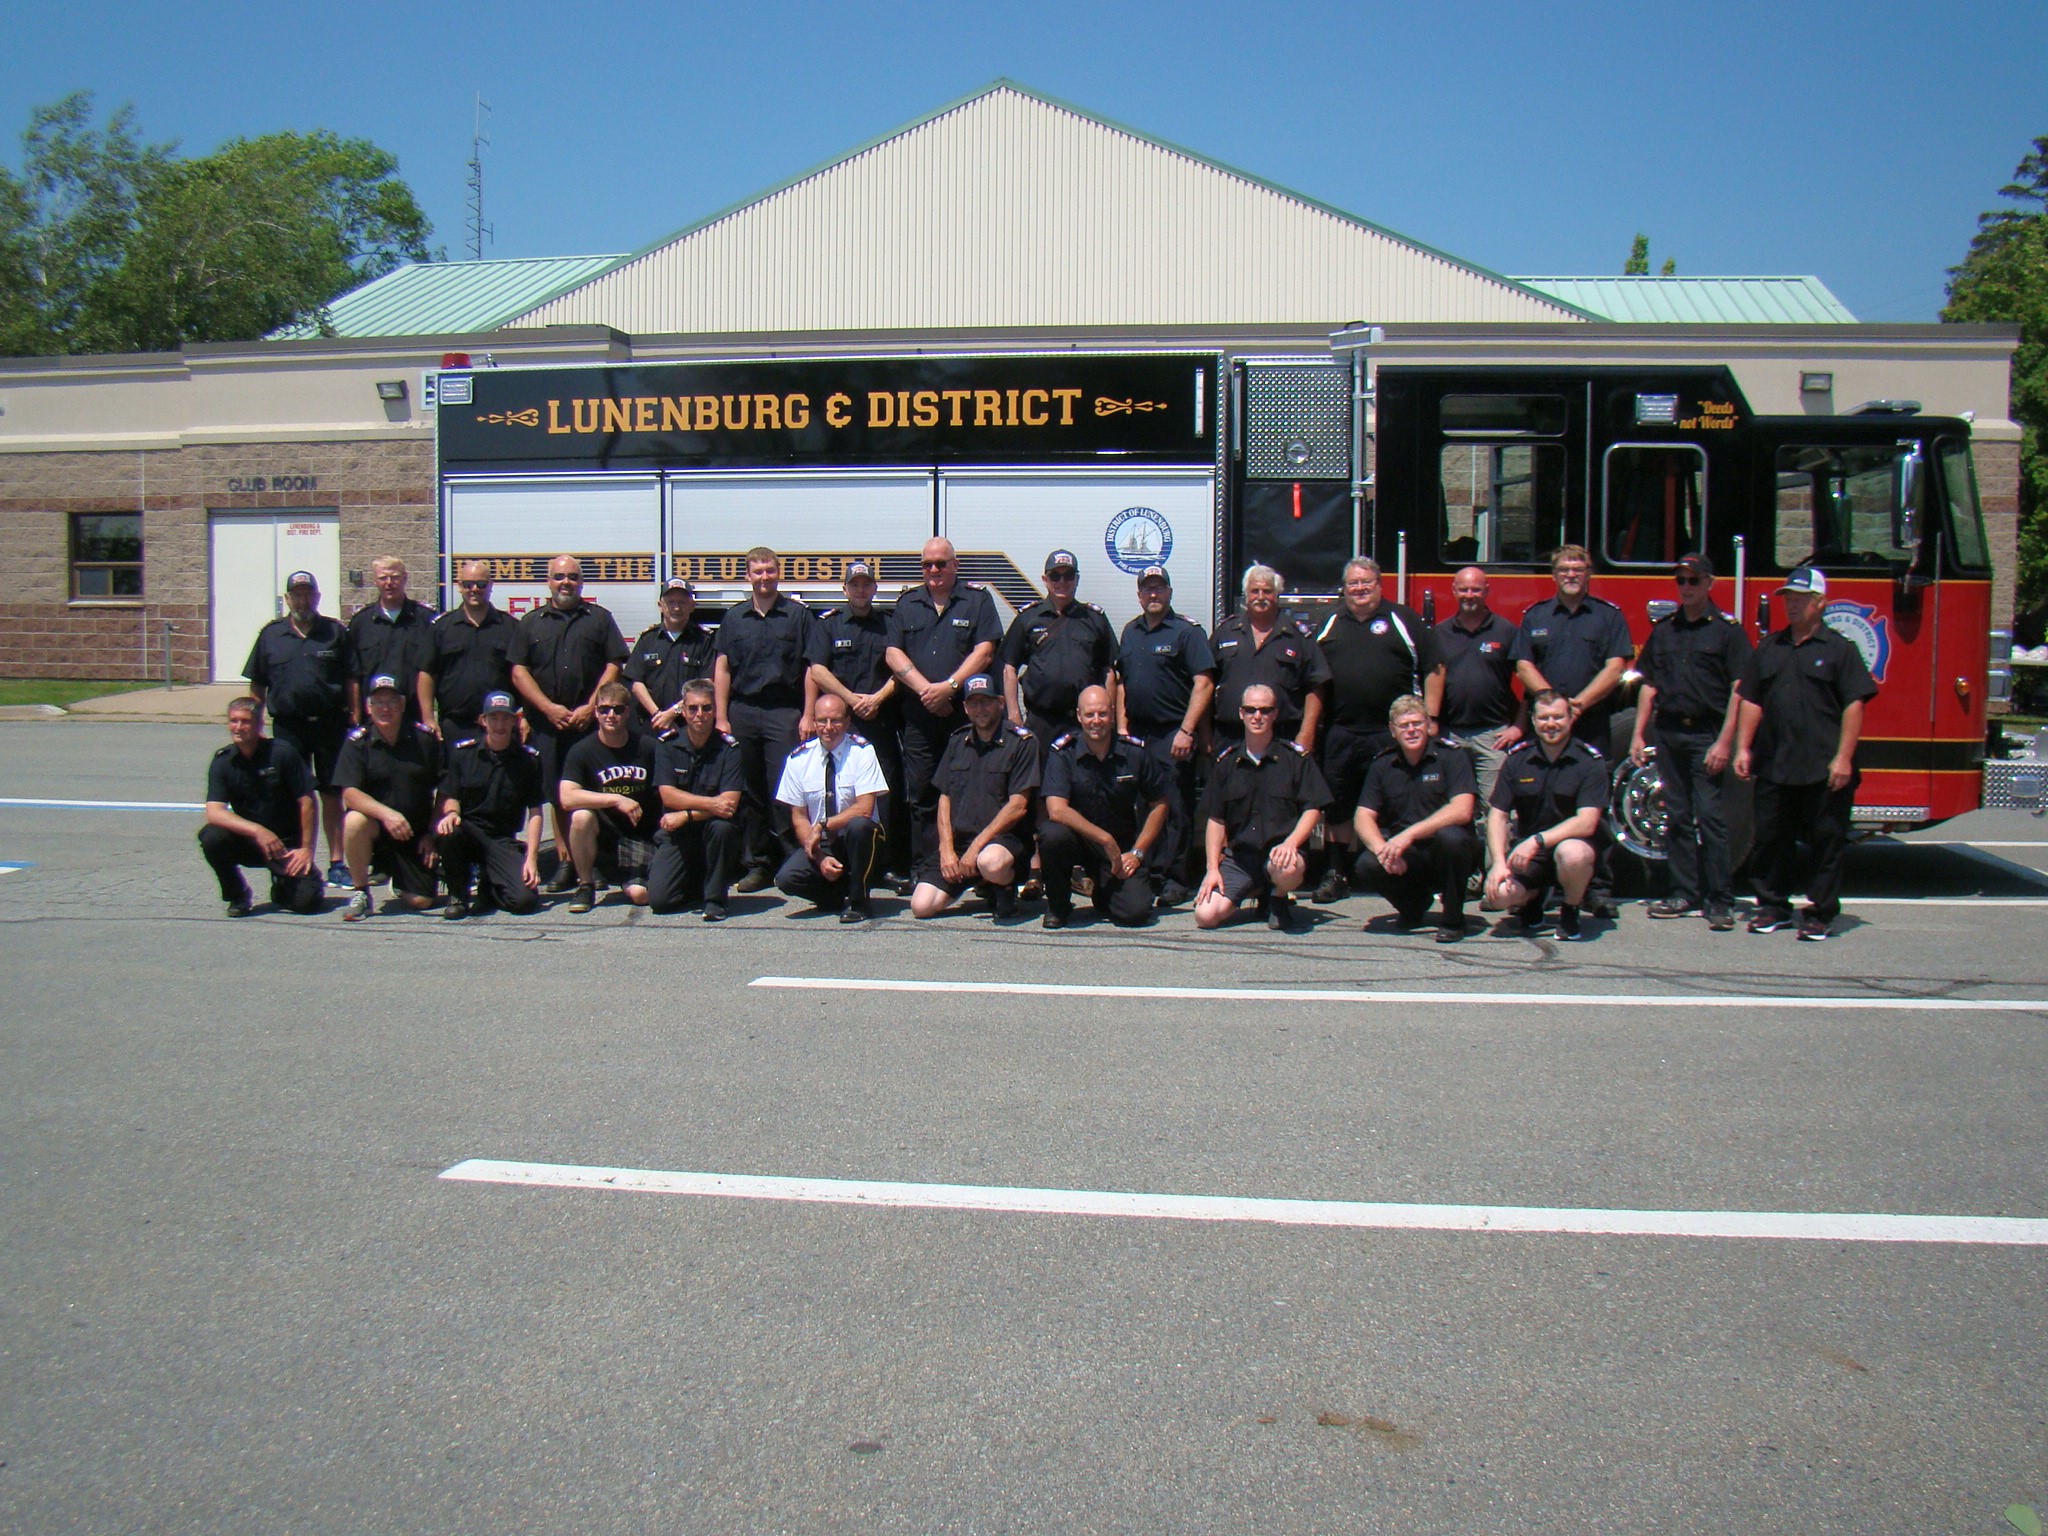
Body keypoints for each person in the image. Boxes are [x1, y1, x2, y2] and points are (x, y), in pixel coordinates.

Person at [1734, 566, 1877, 942]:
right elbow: (1751, 699)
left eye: (1800, 599)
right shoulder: (1770, 648)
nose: (1792, 606)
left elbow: (1854, 705)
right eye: (1787, 599)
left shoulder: (1839, 650)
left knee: (1825, 841)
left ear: (1820, 603)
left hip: (1823, 767)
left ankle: (1819, 913)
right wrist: (1744, 747)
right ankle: (1772, 906)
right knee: (1770, 839)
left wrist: (1843, 758)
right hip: (1774, 763)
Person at [1629, 553, 1753, 930]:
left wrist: (1725, 742)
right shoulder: (1665, 630)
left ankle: (1720, 900)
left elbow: (1740, 688)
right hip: (1668, 732)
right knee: (1677, 816)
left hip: (1706, 734)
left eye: (1693, 580)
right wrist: (1637, 733)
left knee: (1710, 817)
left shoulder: (1727, 631)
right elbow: (1648, 683)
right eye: (1680, 581)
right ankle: (1684, 892)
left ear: (1710, 583)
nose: (1686, 588)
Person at [1511, 544, 1634, 916]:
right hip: (1547, 727)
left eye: (1578, 569)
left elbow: (1615, 667)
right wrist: (1552, 707)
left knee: (1595, 804)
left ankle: (1596, 886)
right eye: (1564, 569)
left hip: (1591, 723)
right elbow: (1523, 664)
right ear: (1554, 574)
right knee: (1541, 802)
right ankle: (1543, 881)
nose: (1571, 575)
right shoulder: (1536, 615)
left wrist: (1577, 705)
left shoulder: (1608, 617)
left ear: (1589, 574)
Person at [1310, 557, 1441, 903]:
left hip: (1393, 734)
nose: (1359, 589)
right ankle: (1338, 872)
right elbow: (1312, 677)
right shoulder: (1330, 622)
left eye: (1366, 582)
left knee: (1396, 802)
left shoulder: (1403, 619)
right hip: (1342, 730)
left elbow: (1434, 668)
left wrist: (1432, 717)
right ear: (1344, 588)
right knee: (1337, 805)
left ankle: (1397, 868)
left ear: (1379, 584)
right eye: (1353, 583)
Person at [507, 555, 628, 893]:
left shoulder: (599, 619)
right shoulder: (530, 623)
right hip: (549, 726)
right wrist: (547, 709)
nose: (566, 582)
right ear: (548, 581)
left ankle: (596, 860)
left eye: (573, 577)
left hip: (591, 724)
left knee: (596, 791)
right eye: (559, 576)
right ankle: (566, 862)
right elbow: (519, 671)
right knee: (558, 795)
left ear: (582, 582)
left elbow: (614, 664)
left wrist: (592, 707)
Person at [886, 537, 1004, 872]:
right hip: (920, 718)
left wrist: (949, 688)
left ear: (955, 565)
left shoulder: (977, 601)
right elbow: (893, 653)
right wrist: (928, 691)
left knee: (971, 790)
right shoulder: (908, 603)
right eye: (928, 564)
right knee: (921, 794)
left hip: (965, 717)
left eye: (941, 563)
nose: (934, 570)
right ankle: (926, 868)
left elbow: (985, 651)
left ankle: (974, 867)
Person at [713, 546, 818, 893]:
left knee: (786, 789)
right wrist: (722, 715)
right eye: (757, 571)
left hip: (783, 712)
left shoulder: (797, 616)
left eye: (770, 571)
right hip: (743, 711)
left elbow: (810, 669)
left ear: (778, 573)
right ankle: (756, 864)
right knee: (750, 791)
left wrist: (808, 713)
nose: (764, 577)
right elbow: (723, 668)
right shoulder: (734, 618)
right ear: (748, 575)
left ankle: (793, 860)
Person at [242, 569, 353, 885]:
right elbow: (258, 684)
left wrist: (356, 715)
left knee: (333, 793)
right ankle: (294, 857)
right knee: (294, 794)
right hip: (289, 727)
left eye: (308, 594)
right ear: (288, 599)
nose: (303, 599)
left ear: (317, 597)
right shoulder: (271, 635)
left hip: (331, 724)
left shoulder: (334, 632)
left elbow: (351, 679)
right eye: (297, 594)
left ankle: (337, 863)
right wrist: (254, 722)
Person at [1114, 564, 1215, 907]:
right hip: (1138, 735)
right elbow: (1123, 683)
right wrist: (1122, 728)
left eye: (1159, 588)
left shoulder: (1187, 632)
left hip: (1173, 734)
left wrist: (1188, 731)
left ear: (1170, 592)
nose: (1153, 594)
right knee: (1142, 807)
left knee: (1175, 809)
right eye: (1147, 589)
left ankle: (1176, 878)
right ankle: (1149, 871)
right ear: (1139, 594)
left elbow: (1204, 683)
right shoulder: (1131, 632)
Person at [1194, 683, 1330, 931]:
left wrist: (1292, 843)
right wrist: (1212, 868)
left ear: (1275, 714)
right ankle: (1256, 889)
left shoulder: (1294, 759)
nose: (1258, 716)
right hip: (1241, 858)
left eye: (1265, 710)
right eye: (1251, 710)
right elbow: (1216, 820)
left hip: (1279, 855)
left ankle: (1277, 896)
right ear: (1241, 713)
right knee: (1206, 916)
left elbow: (1314, 808)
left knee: (1288, 868)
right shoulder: (1226, 762)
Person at [806, 561, 905, 887]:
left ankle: (883, 865)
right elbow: (818, 670)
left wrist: (876, 698)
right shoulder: (829, 626)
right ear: (844, 589)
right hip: (840, 726)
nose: (861, 590)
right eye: (855, 584)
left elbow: (901, 668)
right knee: (837, 791)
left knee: (883, 793)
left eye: (866, 584)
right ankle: (839, 857)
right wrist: (851, 699)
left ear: (874, 588)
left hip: (881, 720)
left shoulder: (890, 624)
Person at [910, 673, 1039, 919]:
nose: (980, 709)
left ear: (1000, 702)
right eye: (973, 703)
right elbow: (944, 797)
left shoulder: (1022, 742)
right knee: (921, 906)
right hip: (961, 843)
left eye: (986, 701)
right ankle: (982, 882)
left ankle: (1003, 886)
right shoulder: (958, 741)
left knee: (990, 863)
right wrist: (946, 849)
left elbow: (1018, 806)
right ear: (965, 708)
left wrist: (977, 848)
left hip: (1002, 843)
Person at [1039, 685, 1169, 928]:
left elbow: (1160, 803)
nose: (1096, 721)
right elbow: (1056, 808)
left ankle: (1103, 892)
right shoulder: (1063, 752)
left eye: (1102, 714)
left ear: (1112, 714)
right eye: (1089, 715)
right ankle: (1058, 905)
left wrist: (1138, 852)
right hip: (1079, 841)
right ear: (1079, 716)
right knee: (1052, 834)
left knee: (1135, 912)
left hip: (1119, 850)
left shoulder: (1134, 752)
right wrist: (1104, 839)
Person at [1353, 695, 1480, 943]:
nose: (1411, 730)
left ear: (1429, 726)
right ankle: (1413, 906)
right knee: (1367, 863)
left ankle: (1453, 919)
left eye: (1417, 723)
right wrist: (1382, 850)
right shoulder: (1383, 765)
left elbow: (1462, 809)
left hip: (1448, 854)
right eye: (1404, 725)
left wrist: (1409, 834)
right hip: (1408, 856)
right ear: (1393, 731)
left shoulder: (1452, 757)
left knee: (1451, 838)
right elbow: (1362, 816)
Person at [1484, 690, 1608, 942]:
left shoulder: (1589, 762)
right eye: (1543, 718)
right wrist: (1498, 862)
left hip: (1571, 848)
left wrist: (1538, 840)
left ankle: (1570, 909)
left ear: (1571, 718)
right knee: (1498, 896)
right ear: (1533, 720)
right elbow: (1497, 815)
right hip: (1530, 855)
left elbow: (1587, 822)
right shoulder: (1517, 759)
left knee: (1572, 854)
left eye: (1558, 717)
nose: (1550, 724)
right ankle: (1534, 896)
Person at [199, 696, 323, 915]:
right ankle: (238, 895)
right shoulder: (222, 762)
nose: (238, 727)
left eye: (245, 721)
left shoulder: (282, 753)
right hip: (251, 842)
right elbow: (214, 812)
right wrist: (257, 831)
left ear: (259, 725)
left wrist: (306, 850)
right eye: (233, 721)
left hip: (285, 846)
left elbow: (307, 802)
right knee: (211, 837)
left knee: (307, 903)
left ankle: (283, 884)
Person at [334, 674, 443, 921]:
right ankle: (361, 891)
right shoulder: (357, 742)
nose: (385, 709)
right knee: (354, 820)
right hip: (378, 831)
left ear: (403, 705)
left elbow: (444, 789)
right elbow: (349, 794)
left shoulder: (423, 740)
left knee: (422, 901)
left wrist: (431, 834)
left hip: (412, 834)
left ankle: (401, 879)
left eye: (392, 702)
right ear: (368, 707)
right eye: (378, 702)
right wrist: (387, 815)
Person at [774, 692, 889, 921]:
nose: (828, 727)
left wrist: (824, 825)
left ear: (847, 722)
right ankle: (837, 894)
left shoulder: (862, 752)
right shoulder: (798, 759)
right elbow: (799, 818)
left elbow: (865, 808)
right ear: (814, 722)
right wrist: (819, 858)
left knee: (860, 826)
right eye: (822, 721)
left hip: (858, 840)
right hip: (824, 843)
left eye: (835, 720)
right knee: (787, 878)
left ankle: (859, 903)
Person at [434, 691, 544, 918]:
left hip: (501, 839)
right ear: (483, 721)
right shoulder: (463, 754)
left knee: (524, 902)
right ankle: (458, 894)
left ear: (515, 721)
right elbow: (451, 794)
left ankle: (490, 886)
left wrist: (532, 858)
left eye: (505, 718)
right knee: (449, 831)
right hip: (469, 831)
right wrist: (452, 813)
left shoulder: (528, 760)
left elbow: (536, 812)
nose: (500, 724)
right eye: (493, 718)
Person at [558, 681, 661, 912]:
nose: (610, 715)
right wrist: (616, 799)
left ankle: (627, 878)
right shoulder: (582, 750)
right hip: (603, 836)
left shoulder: (647, 748)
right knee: (581, 817)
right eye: (604, 709)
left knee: (640, 895)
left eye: (618, 709)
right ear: (595, 712)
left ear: (627, 712)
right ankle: (585, 885)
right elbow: (566, 797)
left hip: (637, 835)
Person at [647, 679, 745, 920]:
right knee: (660, 902)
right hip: (679, 833)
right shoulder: (668, 745)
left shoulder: (730, 749)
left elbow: (730, 805)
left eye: (706, 708)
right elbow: (668, 795)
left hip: (711, 828)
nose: (700, 714)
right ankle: (695, 882)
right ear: (683, 711)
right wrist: (711, 804)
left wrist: (686, 813)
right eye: (693, 708)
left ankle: (715, 900)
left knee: (723, 828)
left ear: (715, 710)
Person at [1001, 549, 1118, 753]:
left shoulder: (1094, 618)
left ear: (1077, 579)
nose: (1062, 582)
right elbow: (1009, 667)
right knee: (1041, 781)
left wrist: (1109, 714)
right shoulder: (1028, 618)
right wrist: (1013, 714)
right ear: (1045, 580)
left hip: (1084, 722)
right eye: (1055, 576)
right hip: (1042, 722)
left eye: (1068, 576)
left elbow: (1108, 671)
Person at [1432, 566, 1524, 811]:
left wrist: (1519, 726)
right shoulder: (1439, 633)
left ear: (1487, 591)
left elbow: (1529, 682)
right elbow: (1427, 682)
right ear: (1454, 590)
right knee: (1447, 808)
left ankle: (1494, 851)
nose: (1469, 595)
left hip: (1493, 736)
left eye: (1475, 589)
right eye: (1463, 589)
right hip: (1449, 735)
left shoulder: (1507, 631)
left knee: (1496, 811)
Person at [1210, 565, 1329, 748]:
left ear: (1277, 595)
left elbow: (1316, 686)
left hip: (1282, 737)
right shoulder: (1225, 632)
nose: (1260, 597)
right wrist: (1204, 733)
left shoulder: (1298, 636)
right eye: (1254, 591)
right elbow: (1206, 684)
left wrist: (1307, 733)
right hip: (1230, 738)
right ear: (1246, 595)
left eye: (1267, 591)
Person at [428, 560, 516, 744]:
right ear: (459, 586)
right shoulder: (442, 628)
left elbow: (521, 674)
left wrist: (523, 716)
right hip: (455, 724)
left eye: (481, 584)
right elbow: (427, 674)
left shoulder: (510, 627)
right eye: (468, 584)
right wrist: (428, 717)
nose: (474, 589)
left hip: (500, 724)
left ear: (491, 585)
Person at [345, 556, 436, 727]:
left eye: (395, 577)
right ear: (375, 581)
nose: (389, 583)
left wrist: (429, 716)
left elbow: (434, 671)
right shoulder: (361, 623)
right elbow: (353, 674)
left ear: (405, 578)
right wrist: (356, 714)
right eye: (383, 578)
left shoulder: (426, 620)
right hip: (373, 717)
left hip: (414, 714)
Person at [624, 577, 715, 734]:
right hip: (652, 724)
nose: (676, 608)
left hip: (691, 726)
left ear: (692, 606)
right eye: (670, 602)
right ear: (660, 606)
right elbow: (636, 683)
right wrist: (658, 715)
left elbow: (706, 684)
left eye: (682, 602)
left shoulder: (704, 640)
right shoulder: (648, 639)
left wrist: (673, 712)